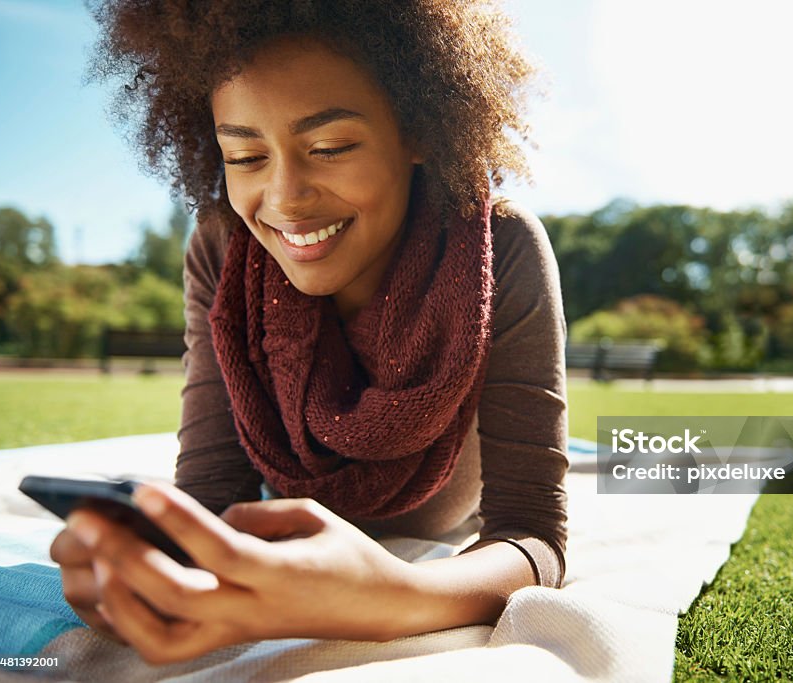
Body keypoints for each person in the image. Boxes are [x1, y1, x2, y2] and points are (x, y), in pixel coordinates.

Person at [49, 0, 568, 664]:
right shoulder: (222, 250)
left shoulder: (503, 245)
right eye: (244, 155)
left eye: (330, 147)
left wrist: (396, 595)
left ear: (419, 130)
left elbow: (533, 535)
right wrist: (153, 562)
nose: (285, 197)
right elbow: (213, 495)